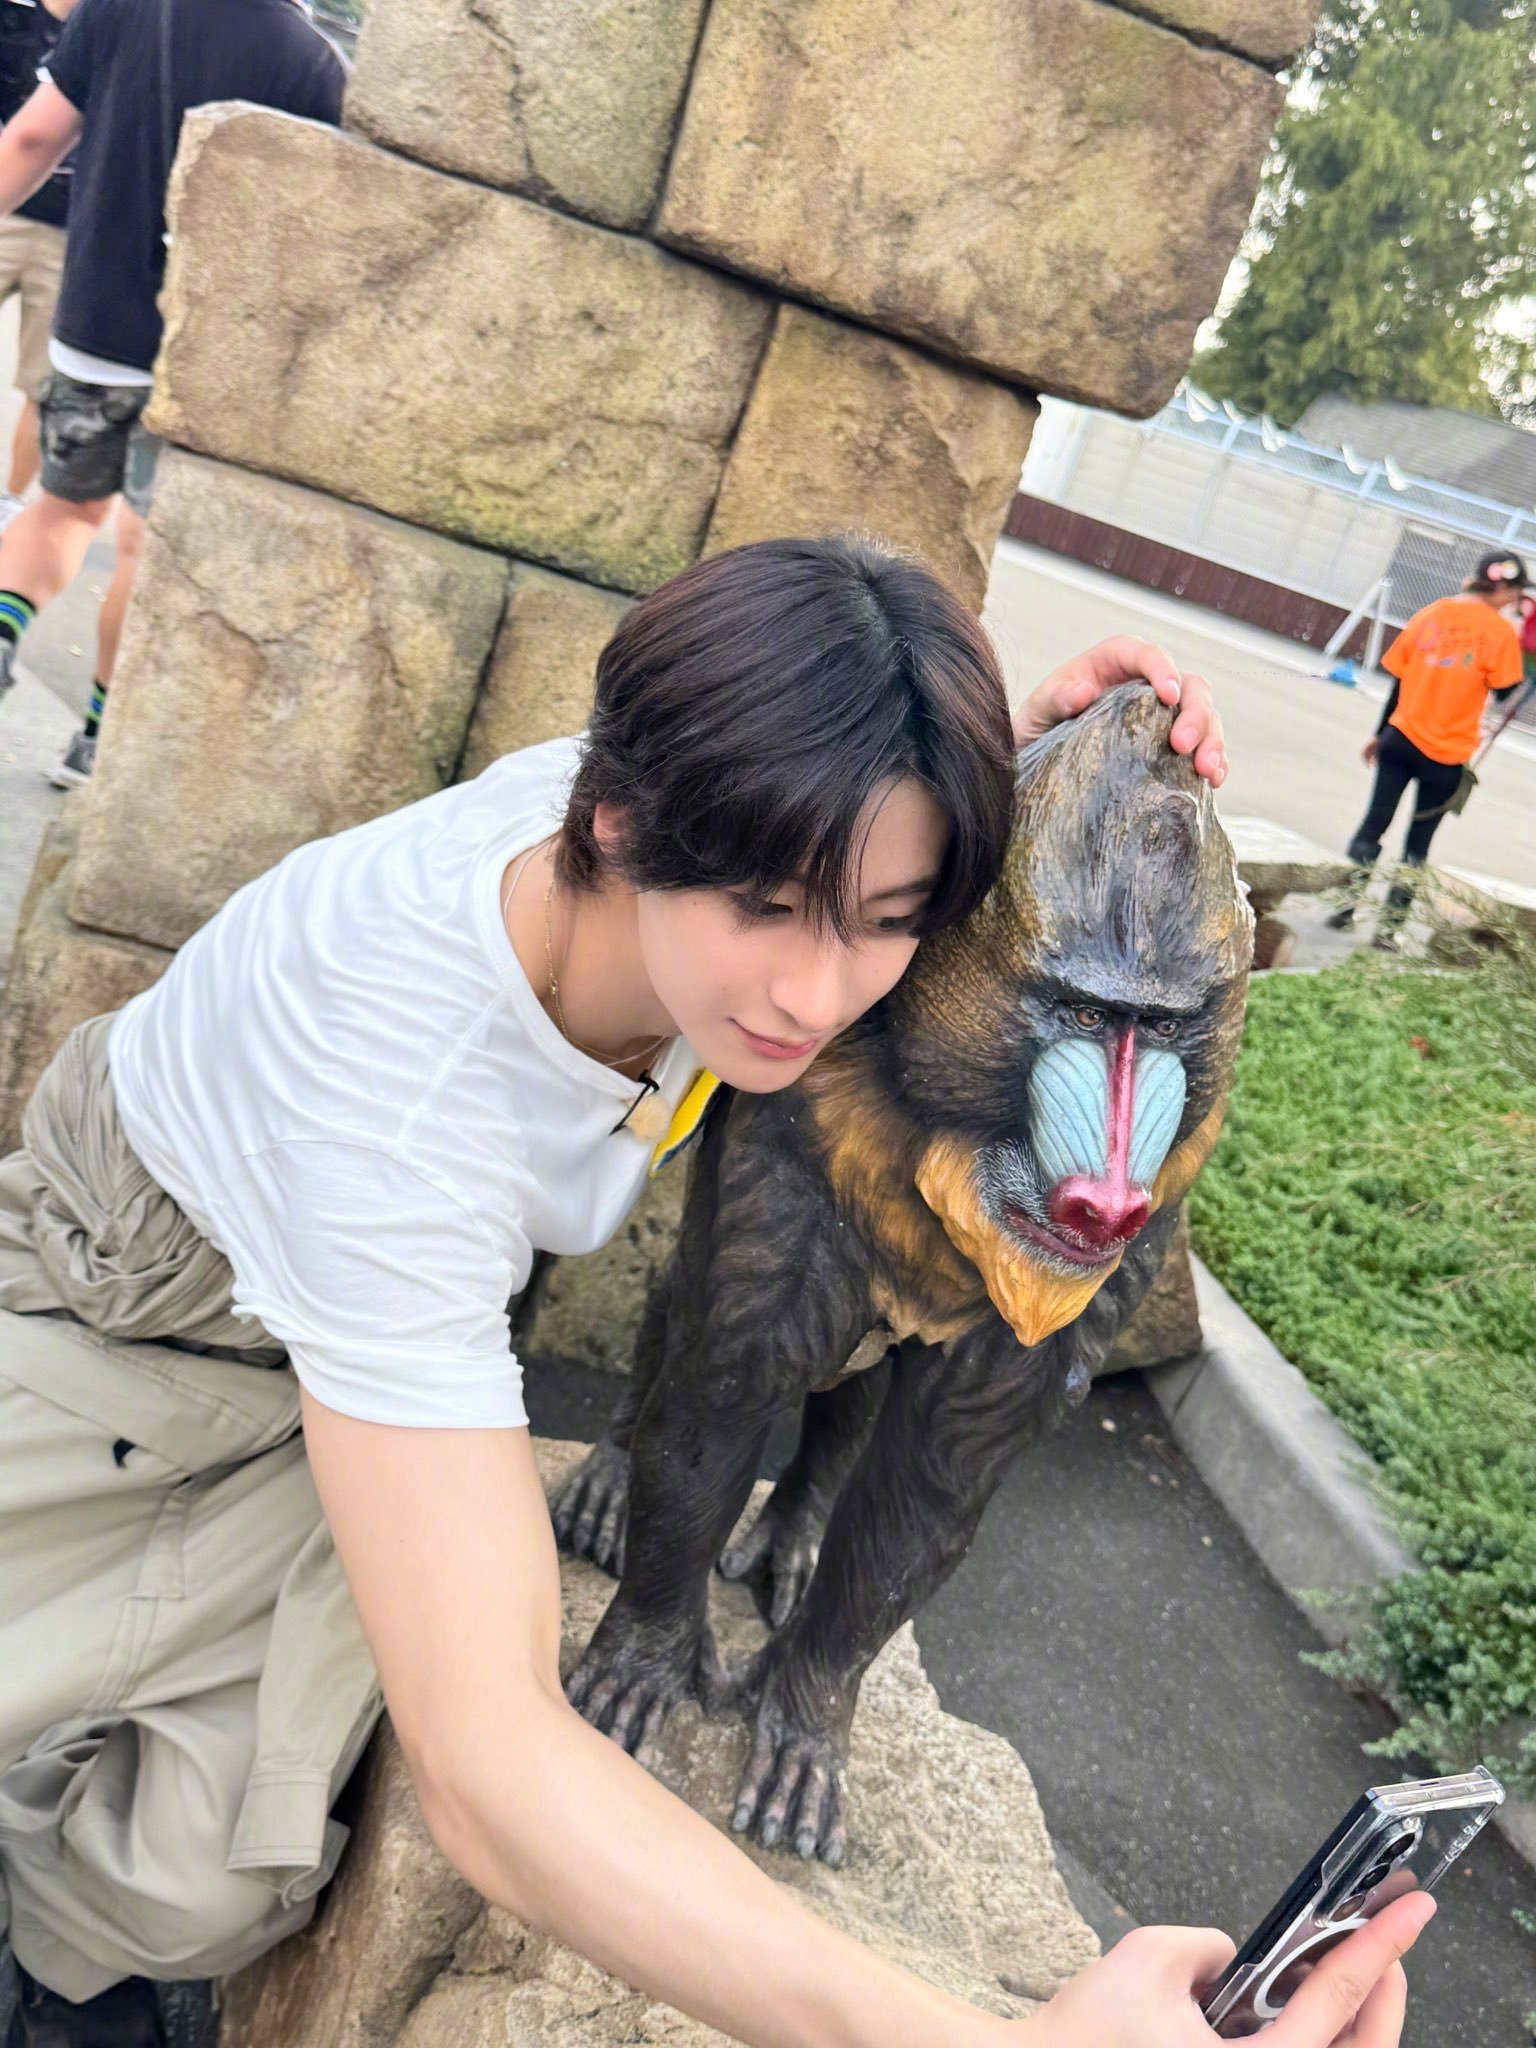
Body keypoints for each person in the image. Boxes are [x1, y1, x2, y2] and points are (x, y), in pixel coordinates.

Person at [0, 533, 1433, 2048]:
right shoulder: (394, 1104)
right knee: (210, 1863)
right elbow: (489, 1768)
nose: (818, 993)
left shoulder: (692, 819)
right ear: (615, 822)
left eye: (891, 918)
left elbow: (831, 828)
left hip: (339, 1307)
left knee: (206, 1853)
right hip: (141, 1315)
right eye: (769, 907)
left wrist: (1033, 764)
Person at [0, 0, 344, 787]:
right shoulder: (312, 65)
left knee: (61, 510)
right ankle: (96, 739)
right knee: (143, 545)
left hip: (93, 326)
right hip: (204, 351)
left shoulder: (122, 6)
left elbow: (33, 138)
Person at [1329, 550, 1528, 949]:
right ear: (1502, 587)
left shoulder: (1432, 613)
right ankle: (1388, 929)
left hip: (1400, 739)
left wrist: (1380, 733)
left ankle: (1344, 908)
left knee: (1374, 822)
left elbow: (1399, 681)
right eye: (1516, 591)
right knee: (1417, 844)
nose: (1516, 599)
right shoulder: (1500, 632)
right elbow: (1506, 689)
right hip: (1446, 756)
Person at [0, 0, 75, 527]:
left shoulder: (114, 24)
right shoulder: (10, 15)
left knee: (42, 385)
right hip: (7, 208)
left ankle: (8, 503)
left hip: (70, 231)